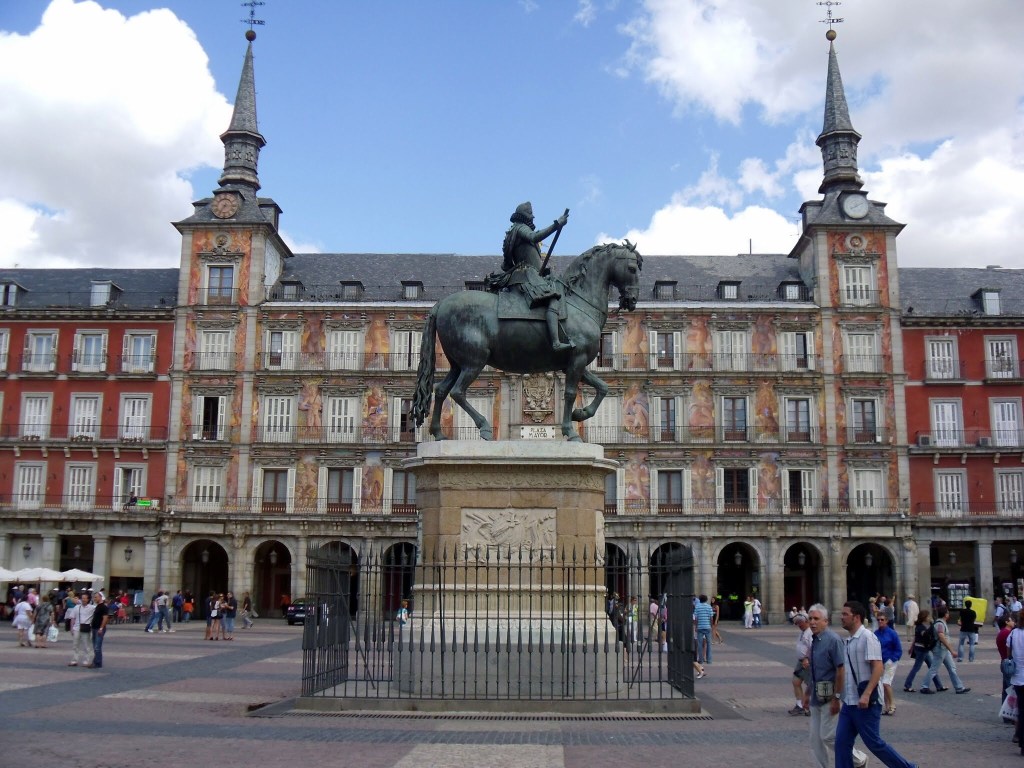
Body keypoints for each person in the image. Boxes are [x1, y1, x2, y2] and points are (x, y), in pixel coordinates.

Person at [836, 601, 918, 768]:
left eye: (845, 614)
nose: (841, 617)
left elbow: (878, 667)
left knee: (874, 743)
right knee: (841, 744)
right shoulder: (849, 640)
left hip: (867, 702)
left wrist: (866, 694)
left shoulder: (868, 637)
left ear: (856, 617)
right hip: (850, 701)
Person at [495, 202, 574, 351]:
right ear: (525, 215)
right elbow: (535, 237)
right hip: (527, 276)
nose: (533, 216)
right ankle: (556, 343)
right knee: (552, 299)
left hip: (523, 275)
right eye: (531, 213)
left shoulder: (511, 233)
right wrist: (557, 225)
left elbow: (505, 266)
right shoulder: (520, 229)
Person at [922, 605, 970, 695]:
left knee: (952, 668)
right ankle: (924, 686)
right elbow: (941, 636)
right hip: (940, 649)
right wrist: (951, 650)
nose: (948, 614)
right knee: (934, 668)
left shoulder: (941, 623)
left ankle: (959, 687)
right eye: (947, 612)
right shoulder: (940, 624)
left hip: (943, 649)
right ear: (945, 614)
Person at [901, 609, 943, 692]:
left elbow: (916, 638)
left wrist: (911, 647)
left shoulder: (921, 626)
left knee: (932, 667)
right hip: (921, 650)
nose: (929, 617)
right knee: (916, 667)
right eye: (928, 616)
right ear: (924, 617)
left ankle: (939, 685)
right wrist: (932, 625)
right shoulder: (920, 627)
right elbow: (925, 635)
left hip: (923, 649)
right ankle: (907, 685)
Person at [874, 613, 902, 715]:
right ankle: (886, 707)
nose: (880, 621)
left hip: (890, 662)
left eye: (882, 620)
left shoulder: (892, 633)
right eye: (878, 620)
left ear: (886, 621)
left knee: (886, 683)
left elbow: (898, 649)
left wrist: (893, 659)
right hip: (879, 662)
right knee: (881, 685)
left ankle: (892, 705)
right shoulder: (875, 633)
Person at [789, 612, 812, 716]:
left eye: (800, 622)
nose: (799, 625)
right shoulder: (802, 632)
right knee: (796, 681)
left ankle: (810, 706)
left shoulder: (810, 632)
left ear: (807, 621)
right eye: (797, 623)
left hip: (807, 662)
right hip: (801, 662)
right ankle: (800, 705)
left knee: (810, 685)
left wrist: (807, 658)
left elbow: (813, 648)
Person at [1008, 620, 1024, 756]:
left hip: (1018, 677)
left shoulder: (1013, 633)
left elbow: (1009, 653)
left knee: (1022, 710)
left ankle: (1021, 739)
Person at [996, 614, 1015, 716]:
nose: (1013, 622)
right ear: (1007, 622)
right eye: (1011, 620)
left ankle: (1006, 714)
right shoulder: (1007, 633)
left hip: (1004, 662)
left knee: (1006, 690)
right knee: (1011, 689)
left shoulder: (1002, 633)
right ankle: (1011, 714)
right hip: (1009, 663)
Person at [88, 591, 109, 669]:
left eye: (96, 597)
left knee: (97, 646)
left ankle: (97, 663)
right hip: (94, 628)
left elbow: (105, 618)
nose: (94, 598)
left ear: (100, 597)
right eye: (94, 597)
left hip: (99, 629)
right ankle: (96, 661)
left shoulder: (103, 607)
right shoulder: (97, 606)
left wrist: (101, 628)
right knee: (95, 646)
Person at [693, 594, 714, 665]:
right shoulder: (709, 607)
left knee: (699, 644)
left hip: (700, 627)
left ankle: (701, 659)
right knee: (709, 644)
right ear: (706, 600)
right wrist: (711, 626)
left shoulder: (697, 607)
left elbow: (696, 618)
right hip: (707, 627)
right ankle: (709, 660)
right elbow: (711, 618)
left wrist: (696, 626)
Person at [957, 598, 977, 662]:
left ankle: (960, 658)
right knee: (972, 644)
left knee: (961, 644)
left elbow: (960, 619)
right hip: (971, 628)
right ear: (971, 605)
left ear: (965, 605)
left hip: (963, 628)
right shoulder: (973, 612)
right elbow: (974, 620)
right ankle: (971, 658)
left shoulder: (962, 611)